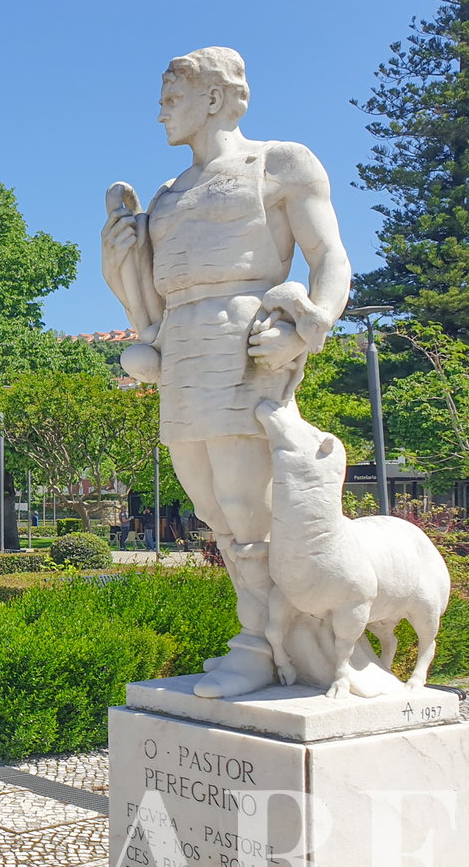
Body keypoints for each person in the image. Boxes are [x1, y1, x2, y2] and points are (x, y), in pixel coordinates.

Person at [101, 47, 351, 698]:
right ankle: (266, 639)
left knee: (247, 505)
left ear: (213, 98)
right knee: (211, 506)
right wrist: (119, 263)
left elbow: (329, 257)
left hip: (245, 342)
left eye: (171, 98)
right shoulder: (165, 196)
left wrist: (308, 326)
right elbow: (148, 306)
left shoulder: (280, 163)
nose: (160, 113)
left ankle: (268, 645)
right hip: (180, 349)